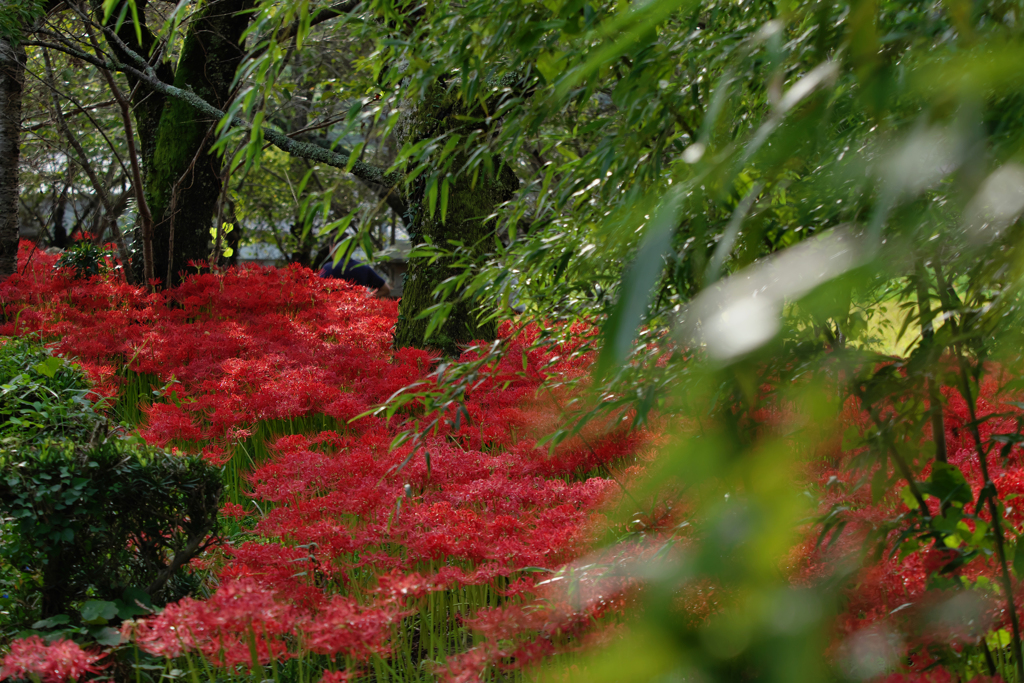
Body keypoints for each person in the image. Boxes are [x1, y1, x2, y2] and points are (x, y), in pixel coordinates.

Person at [319, 256, 392, 298]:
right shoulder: (363, 268)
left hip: (332, 316)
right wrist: (367, 298)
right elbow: (386, 289)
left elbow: (317, 292)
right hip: (358, 315)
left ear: (334, 245)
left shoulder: (328, 267)